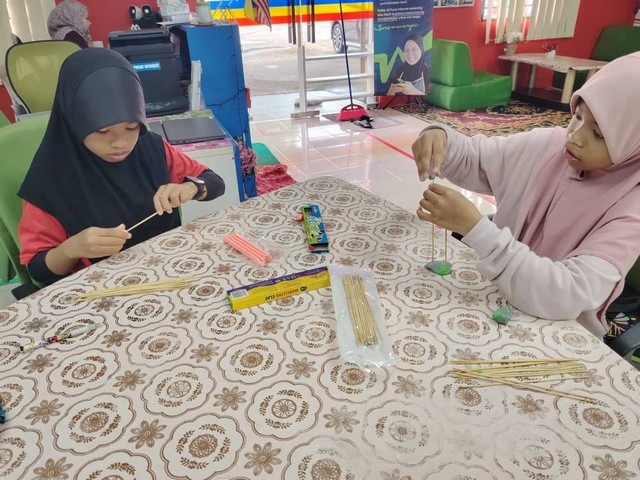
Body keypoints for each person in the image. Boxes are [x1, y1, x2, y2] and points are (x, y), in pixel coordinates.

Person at [411, 52, 640, 339]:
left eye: (599, 134)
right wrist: (441, 139)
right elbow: (475, 158)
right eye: (577, 116)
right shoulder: (549, 146)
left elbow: (567, 294)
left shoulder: (631, 208)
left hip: (556, 336)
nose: (575, 136)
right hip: (492, 302)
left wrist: (477, 230)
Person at [18, 48, 225, 286]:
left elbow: (214, 182)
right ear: (74, 122)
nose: (121, 143)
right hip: (104, 287)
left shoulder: (150, 146)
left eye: (131, 127)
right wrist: (71, 249)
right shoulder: (49, 179)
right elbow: (39, 270)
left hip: (169, 269)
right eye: (103, 131)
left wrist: (192, 188)